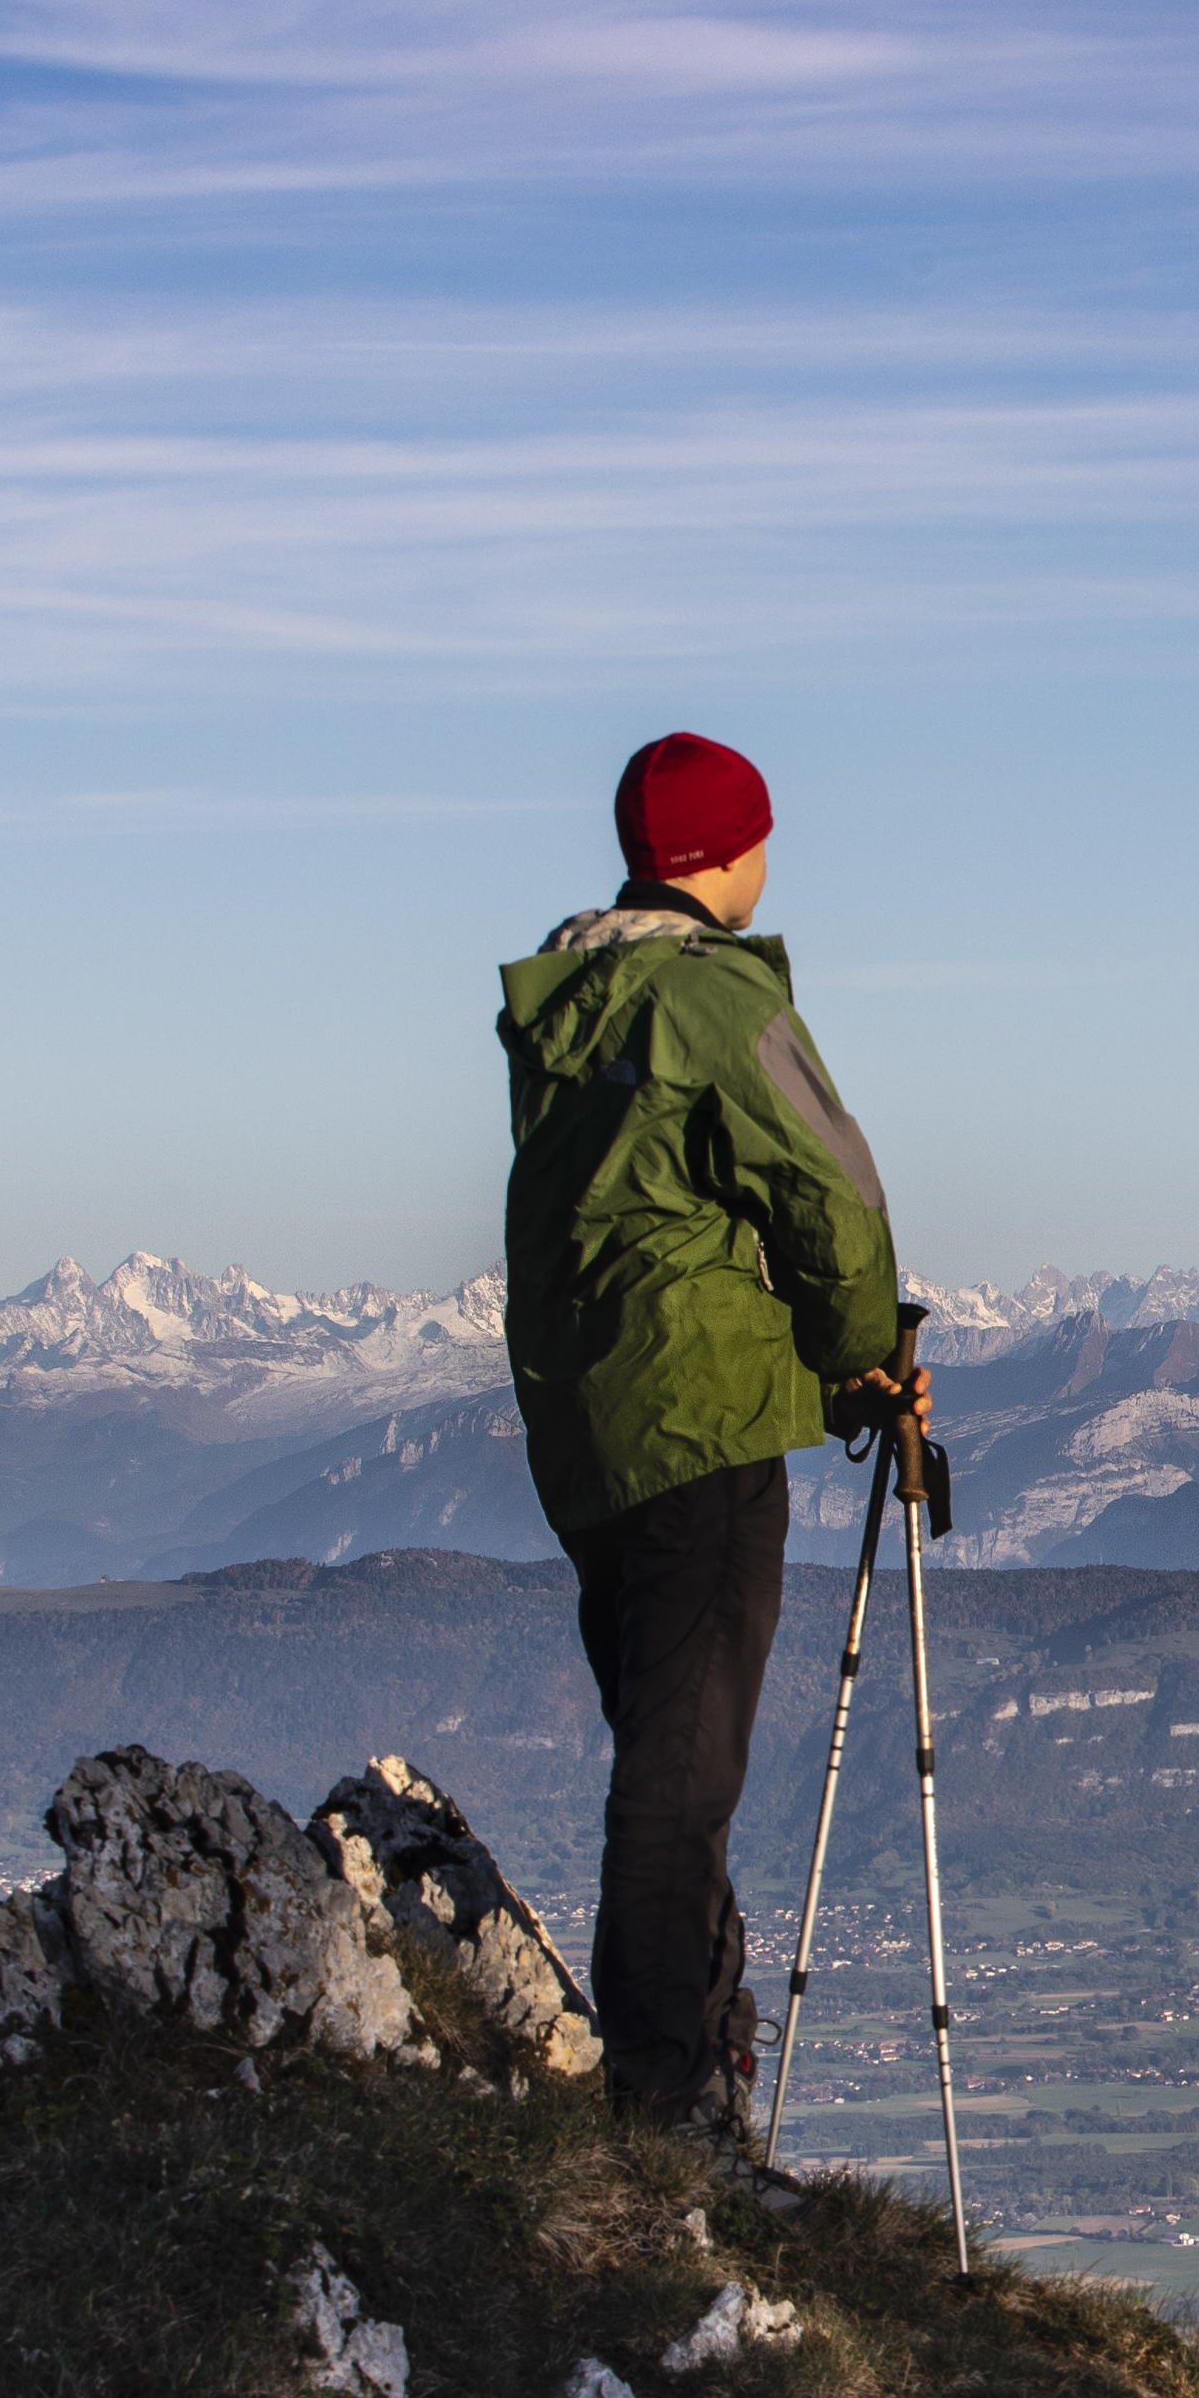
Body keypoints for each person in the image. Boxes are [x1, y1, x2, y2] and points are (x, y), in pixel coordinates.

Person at [497, 731, 923, 2141]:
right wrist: (864, 1352)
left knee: (668, 1750)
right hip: (700, 1440)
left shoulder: (572, 1011)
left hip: (595, 1439)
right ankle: (666, 2110)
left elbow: (657, 1228)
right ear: (729, 854)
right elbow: (831, 1188)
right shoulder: (712, 1002)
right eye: (762, 840)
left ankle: (699, 2056)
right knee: (680, 1784)